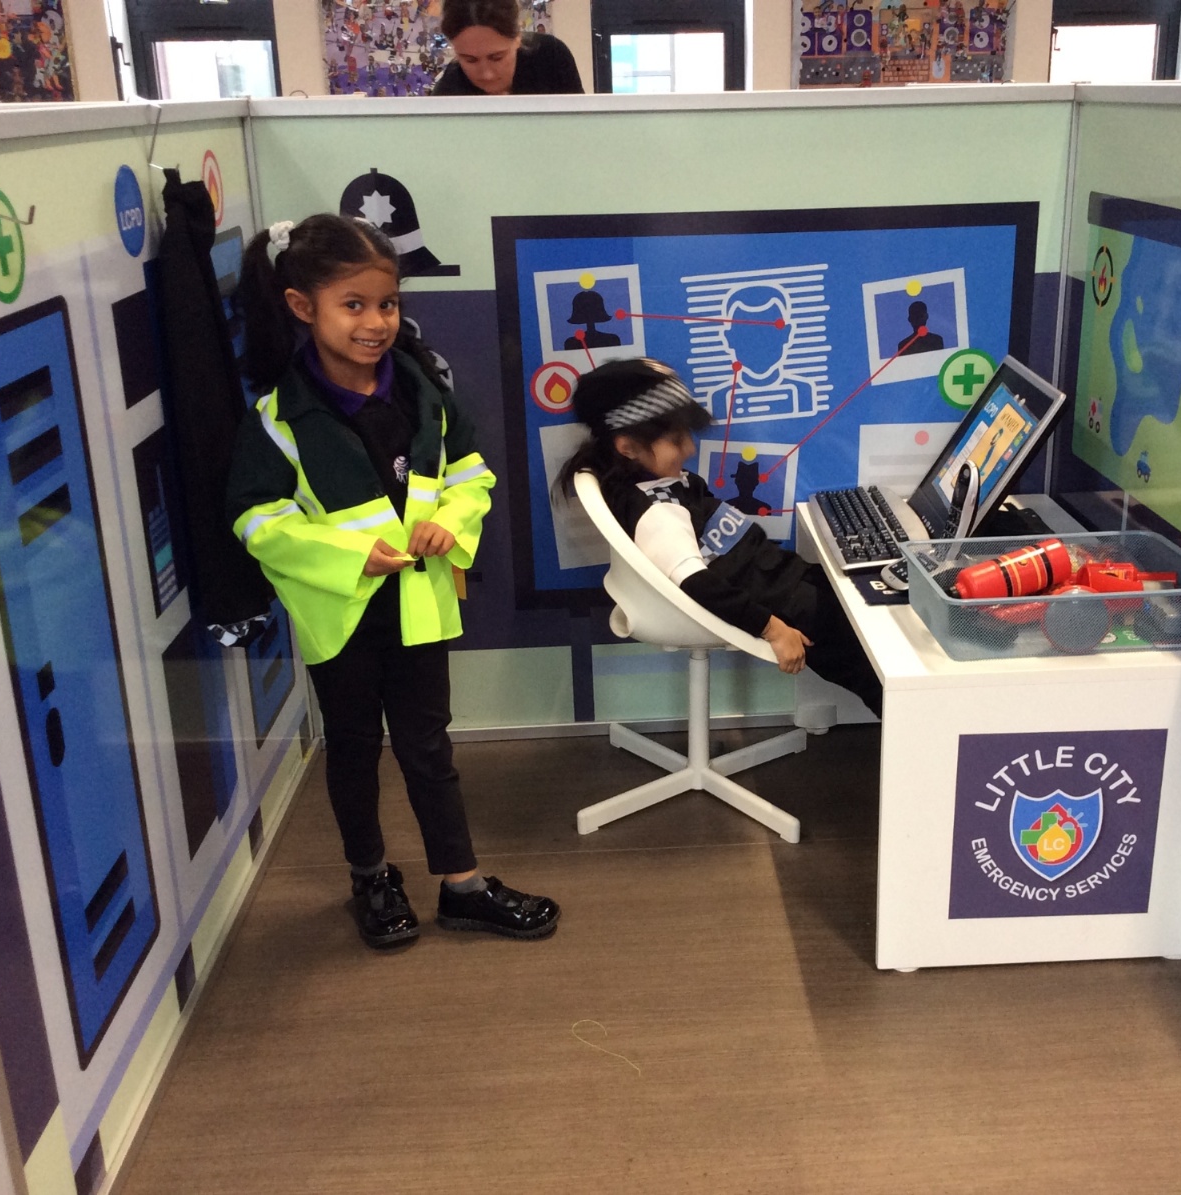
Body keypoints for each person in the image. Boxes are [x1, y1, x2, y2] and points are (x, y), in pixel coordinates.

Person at [226, 213, 559, 949]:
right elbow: (256, 520)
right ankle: (371, 877)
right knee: (352, 747)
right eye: (353, 305)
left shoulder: (423, 393)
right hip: (341, 616)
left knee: (428, 745)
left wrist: (452, 525)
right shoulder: (280, 419)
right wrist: (351, 556)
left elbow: (470, 475)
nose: (375, 322)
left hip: (419, 604)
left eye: (387, 304)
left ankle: (462, 885)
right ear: (302, 306)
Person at [555, 358, 883, 719]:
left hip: (784, 583)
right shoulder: (657, 511)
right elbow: (698, 584)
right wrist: (773, 630)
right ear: (628, 447)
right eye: (676, 440)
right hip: (787, 607)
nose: (689, 449)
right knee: (880, 674)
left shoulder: (662, 483)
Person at [431, 0, 583, 96]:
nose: (487, 75)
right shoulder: (449, 91)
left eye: (497, 58)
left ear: (517, 38)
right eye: (470, 60)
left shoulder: (551, 57)